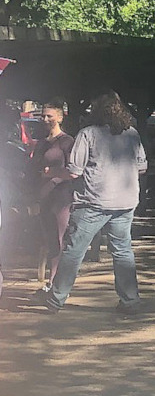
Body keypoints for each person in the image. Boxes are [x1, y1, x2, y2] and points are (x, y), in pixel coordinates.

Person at [42, 92, 147, 314]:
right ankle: (130, 300)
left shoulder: (87, 134)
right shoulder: (132, 133)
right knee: (122, 251)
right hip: (125, 202)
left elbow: (74, 171)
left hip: (92, 202)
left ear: (96, 110)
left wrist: (52, 172)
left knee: (73, 251)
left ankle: (56, 299)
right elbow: (142, 167)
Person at [28, 102, 75, 287]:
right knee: (48, 239)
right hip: (43, 195)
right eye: (43, 116)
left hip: (61, 196)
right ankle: (52, 282)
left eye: (50, 116)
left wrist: (54, 176)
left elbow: (72, 170)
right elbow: (33, 170)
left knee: (59, 239)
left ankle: (55, 283)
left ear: (60, 118)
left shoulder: (67, 141)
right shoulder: (41, 143)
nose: (45, 119)